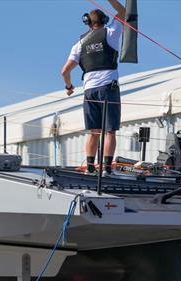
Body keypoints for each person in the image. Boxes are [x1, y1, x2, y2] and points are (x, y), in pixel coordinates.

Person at [61, 0, 126, 174]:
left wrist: (69, 87)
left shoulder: (79, 44)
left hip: (89, 90)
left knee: (93, 132)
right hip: (108, 87)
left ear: (88, 23)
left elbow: (64, 71)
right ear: (104, 20)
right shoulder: (111, 32)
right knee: (110, 131)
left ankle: (90, 168)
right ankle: (106, 169)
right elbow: (123, 11)